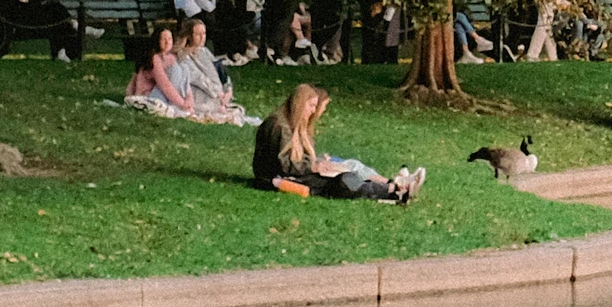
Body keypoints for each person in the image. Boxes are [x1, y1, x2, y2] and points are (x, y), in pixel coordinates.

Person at [253, 83, 423, 201]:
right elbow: (283, 164)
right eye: (311, 106)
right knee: (344, 181)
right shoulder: (279, 126)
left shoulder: (292, 124)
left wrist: (316, 162)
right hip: (278, 179)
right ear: (300, 104)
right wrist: (313, 166)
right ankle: (395, 188)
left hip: (296, 173)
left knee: (346, 175)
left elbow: (295, 160)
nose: (314, 111)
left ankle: (395, 188)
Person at [170, 17, 250, 123]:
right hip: (200, 92)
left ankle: (221, 103)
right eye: (198, 34)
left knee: (233, 110)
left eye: (204, 33)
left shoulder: (204, 51)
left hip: (216, 91)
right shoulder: (183, 55)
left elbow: (219, 71)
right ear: (189, 36)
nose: (202, 37)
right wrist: (218, 93)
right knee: (218, 110)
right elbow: (198, 78)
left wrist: (228, 90)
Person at [123, 26, 197, 115]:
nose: (167, 42)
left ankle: (178, 106)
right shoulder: (154, 58)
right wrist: (182, 103)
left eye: (169, 39)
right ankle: (176, 106)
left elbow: (184, 82)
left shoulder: (171, 57)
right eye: (163, 39)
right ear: (157, 41)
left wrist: (189, 100)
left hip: (166, 96)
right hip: (149, 97)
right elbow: (165, 84)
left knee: (184, 67)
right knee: (175, 69)